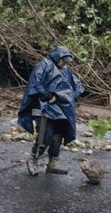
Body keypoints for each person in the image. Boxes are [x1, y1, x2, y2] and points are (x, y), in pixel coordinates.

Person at [17, 46, 85, 176]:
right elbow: (35, 84)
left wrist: (69, 96)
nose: (65, 63)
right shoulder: (43, 65)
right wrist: (49, 96)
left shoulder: (65, 70)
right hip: (42, 106)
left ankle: (53, 162)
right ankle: (33, 159)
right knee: (45, 133)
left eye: (66, 61)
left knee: (58, 134)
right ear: (57, 57)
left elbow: (76, 86)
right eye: (63, 60)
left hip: (59, 108)